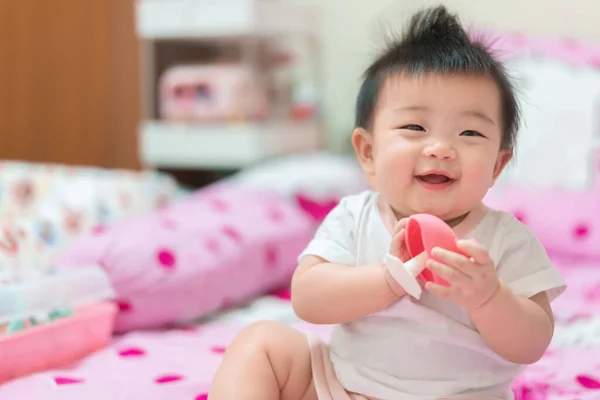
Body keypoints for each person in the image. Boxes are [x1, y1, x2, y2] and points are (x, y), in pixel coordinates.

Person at [209, 5, 566, 399]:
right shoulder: (355, 217)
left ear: (497, 165)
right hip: (341, 387)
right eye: (415, 127)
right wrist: (386, 279)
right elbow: (307, 298)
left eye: (469, 132)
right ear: (367, 152)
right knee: (262, 344)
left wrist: (489, 297)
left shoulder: (505, 241)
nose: (441, 148)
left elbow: (533, 342)